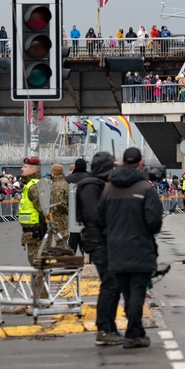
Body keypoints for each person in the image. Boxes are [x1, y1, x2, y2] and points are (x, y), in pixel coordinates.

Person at [98, 147, 163, 350]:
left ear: (123, 162)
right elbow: (154, 223)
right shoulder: (145, 189)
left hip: (116, 249)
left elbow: (100, 219)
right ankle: (133, 333)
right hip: (140, 248)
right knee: (137, 293)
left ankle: (137, 332)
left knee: (127, 292)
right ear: (140, 163)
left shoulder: (108, 189)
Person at [77, 152, 123, 346]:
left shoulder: (100, 184)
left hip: (106, 240)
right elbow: (94, 214)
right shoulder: (90, 186)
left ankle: (109, 326)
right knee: (110, 284)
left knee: (114, 284)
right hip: (98, 241)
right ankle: (104, 328)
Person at [18, 157, 45, 266]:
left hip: (37, 234)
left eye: (25, 167)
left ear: (32, 170)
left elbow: (44, 210)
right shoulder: (29, 185)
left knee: (37, 266)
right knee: (35, 265)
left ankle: (39, 283)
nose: (22, 169)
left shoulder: (34, 187)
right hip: (32, 234)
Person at [65, 157, 91, 253]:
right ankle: (88, 260)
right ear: (85, 166)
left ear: (75, 166)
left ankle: (70, 258)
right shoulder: (90, 177)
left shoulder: (67, 179)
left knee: (73, 236)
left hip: (72, 211)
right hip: (87, 211)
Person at [48, 164, 70, 250]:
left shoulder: (57, 185)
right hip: (63, 217)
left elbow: (59, 203)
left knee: (60, 241)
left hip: (59, 216)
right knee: (63, 240)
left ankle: (63, 260)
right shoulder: (64, 182)